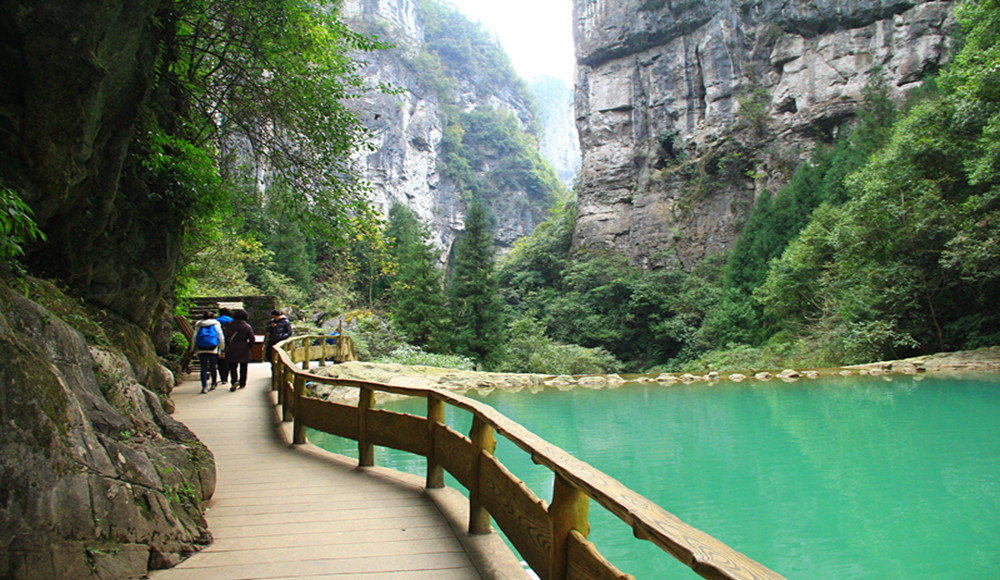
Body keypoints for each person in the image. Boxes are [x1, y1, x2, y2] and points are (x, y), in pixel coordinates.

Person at [193, 311, 225, 394]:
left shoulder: (199, 324)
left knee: (203, 368)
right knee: (213, 366)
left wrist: (193, 349)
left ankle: (204, 387)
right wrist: (222, 348)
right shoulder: (216, 323)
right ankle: (213, 383)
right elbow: (220, 336)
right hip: (213, 349)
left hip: (201, 348)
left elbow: (194, 337)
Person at [224, 309, 255, 391]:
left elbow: (225, 337)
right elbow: (252, 339)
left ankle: (234, 381)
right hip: (244, 348)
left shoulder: (229, 326)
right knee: (244, 367)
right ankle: (242, 383)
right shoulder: (247, 327)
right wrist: (248, 346)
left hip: (232, 348)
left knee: (232, 367)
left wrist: (227, 346)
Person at [216, 307, 234, 386]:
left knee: (221, 361)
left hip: (219, 343)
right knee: (229, 360)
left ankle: (223, 378)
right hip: (230, 343)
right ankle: (229, 376)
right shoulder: (232, 321)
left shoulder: (216, 321)